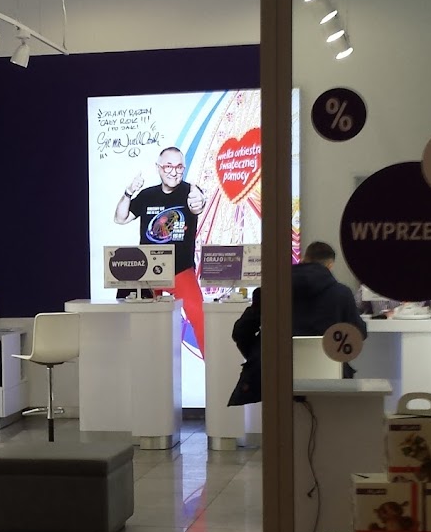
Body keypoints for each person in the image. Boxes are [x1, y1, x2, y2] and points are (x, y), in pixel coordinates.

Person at [229, 239, 367, 402]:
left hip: (275, 379)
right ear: (330, 266)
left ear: (303, 260)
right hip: (328, 380)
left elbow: (240, 332)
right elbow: (358, 334)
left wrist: (261, 354)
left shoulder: (270, 291)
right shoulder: (342, 294)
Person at [114, 147, 206, 354]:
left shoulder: (190, 191)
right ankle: (143, 366)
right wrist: (128, 192)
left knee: (201, 317)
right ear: (158, 168)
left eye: (179, 167)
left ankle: (214, 367)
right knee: (142, 325)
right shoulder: (147, 195)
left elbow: (197, 204)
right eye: (168, 166)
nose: (174, 172)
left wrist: (198, 201)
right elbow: (120, 218)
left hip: (180, 270)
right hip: (149, 272)